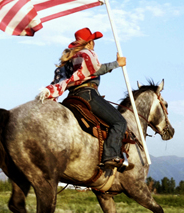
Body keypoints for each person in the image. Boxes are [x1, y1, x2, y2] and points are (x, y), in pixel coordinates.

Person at [39, 27, 128, 169]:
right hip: (88, 94)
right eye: (93, 41)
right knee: (120, 122)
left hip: (72, 96)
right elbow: (96, 69)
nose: (94, 45)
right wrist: (117, 64)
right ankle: (111, 155)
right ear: (90, 42)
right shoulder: (86, 54)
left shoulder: (71, 58)